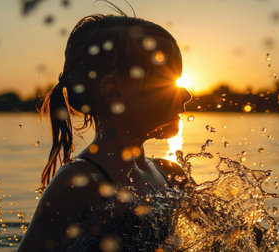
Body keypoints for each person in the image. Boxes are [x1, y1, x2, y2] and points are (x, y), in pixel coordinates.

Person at [18, 14, 192, 251]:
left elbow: (232, 233)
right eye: (167, 82)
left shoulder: (171, 174)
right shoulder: (78, 183)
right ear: (112, 91)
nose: (186, 95)